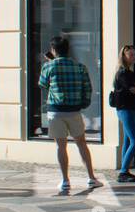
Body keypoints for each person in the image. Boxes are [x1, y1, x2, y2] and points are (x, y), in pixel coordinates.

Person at [38, 35, 101, 195]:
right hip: (74, 111)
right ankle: (91, 176)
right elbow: (88, 88)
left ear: (53, 49)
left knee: (61, 146)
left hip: (56, 110)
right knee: (81, 143)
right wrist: (83, 104)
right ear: (68, 49)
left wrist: (49, 63)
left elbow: (42, 84)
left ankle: (65, 180)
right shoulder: (79, 66)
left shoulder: (49, 66)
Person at [110, 45, 135, 183]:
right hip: (125, 109)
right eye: (131, 55)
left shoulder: (128, 72)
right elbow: (133, 89)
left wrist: (134, 89)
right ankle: (123, 171)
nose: (134, 57)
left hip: (129, 108)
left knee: (128, 140)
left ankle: (125, 169)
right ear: (123, 56)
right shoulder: (123, 73)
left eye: (134, 54)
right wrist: (133, 89)